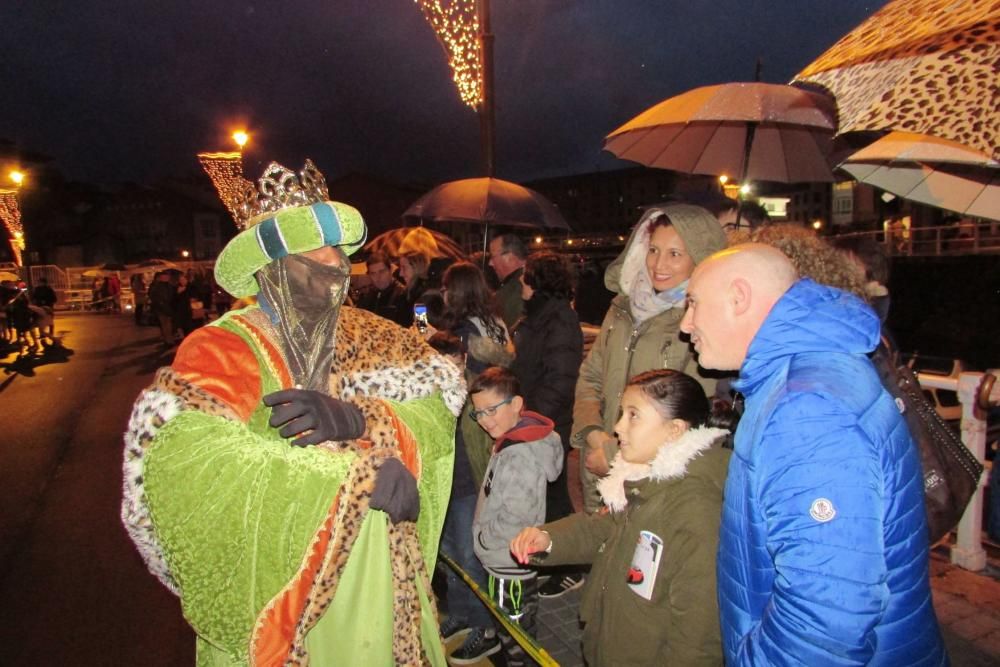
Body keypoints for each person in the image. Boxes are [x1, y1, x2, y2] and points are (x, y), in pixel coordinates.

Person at [120, 159, 466, 666]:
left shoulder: (370, 331)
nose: (335, 261)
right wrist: (350, 478)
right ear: (273, 264)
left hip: (377, 580)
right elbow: (185, 461)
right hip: (283, 595)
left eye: (338, 249)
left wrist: (366, 419)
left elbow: (436, 404)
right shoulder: (223, 347)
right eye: (315, 249)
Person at [680, 244, 946, 665]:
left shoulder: (806, 412)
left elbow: (826, 619)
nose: (685, 324)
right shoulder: (814, 368)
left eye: (693, 303)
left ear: (739, 297)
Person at [511, 369, 731, 666]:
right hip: (614, 645)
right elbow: (605, 528)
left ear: (674, 430)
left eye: (633, 416)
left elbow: (698, 635)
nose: (617, 427)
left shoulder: (696, 508)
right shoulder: (643, 478)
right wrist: (549, 540)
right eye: (621, 414)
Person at [572, 203, 727, 514]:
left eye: (675, 254)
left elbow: (697, 415)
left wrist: (615, 453)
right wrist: (593, 434)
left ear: (699, 256)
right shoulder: (621, 307)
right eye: (653, 249)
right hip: (599, 463)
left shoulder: (701, 321)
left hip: (653, 481)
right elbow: (591, 375)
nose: (659, 264)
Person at [468, 367, 563, 667]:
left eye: (491, 410)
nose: (484, 420)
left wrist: (484, 538)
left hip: (509, 566)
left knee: (517, 639)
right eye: (478, 413)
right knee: (517, 629)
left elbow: (514, 516)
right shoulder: (517, 437)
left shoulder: (519, 454)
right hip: (510, 560)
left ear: (517, 404)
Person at [509, 251, 584, 597]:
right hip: (534, 418)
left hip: (548, 422)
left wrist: (534, 421)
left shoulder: (559, 320)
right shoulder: (537, 316)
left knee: (555, 494)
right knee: (542, 491)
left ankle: (572, 565)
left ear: (538, 280)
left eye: (526, 276)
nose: (521, 282)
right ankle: (549, 555)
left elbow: (559, 378)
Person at [442, 261, 513, 487]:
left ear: (456, 293)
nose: (443, 294)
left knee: (470, 478)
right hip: (501, 401)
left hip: (476, 412)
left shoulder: (464, 331)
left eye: (446, 289)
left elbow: (463, 376)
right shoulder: (495, 321)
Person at [356, 251, 411, 327]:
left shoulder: (403, 295)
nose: (378, 278)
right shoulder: (366, 296)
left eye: (382, 272)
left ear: (390, 270)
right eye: (373, 273)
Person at [487, 233, 527, 329]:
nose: (490, 263)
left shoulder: (518, 287)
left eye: (493, 256)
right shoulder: (530, 278)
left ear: (509, 257)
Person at [147, 271, 175, 347]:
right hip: (161, 309)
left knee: (168, 325)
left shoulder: (170, 286)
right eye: (164, 277)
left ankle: (169, 340)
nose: (166, 278)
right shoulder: (157, 286)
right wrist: (160, 303)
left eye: (167, 277)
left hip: (168, 308)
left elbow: (173, 296)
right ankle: (168, 341)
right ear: (161, 278)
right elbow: (153, 297)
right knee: (165, 325)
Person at [31, 276, 57, 343]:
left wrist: (47, 301)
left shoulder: (48, 289)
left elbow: (53, 298)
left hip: (48, 307)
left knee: (50, 321)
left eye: (40, 282)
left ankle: (50, 333)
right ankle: (42, 333)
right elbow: (34, 297)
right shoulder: (37, 289)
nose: (39, 283)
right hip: (40, 306)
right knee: (41, 320)